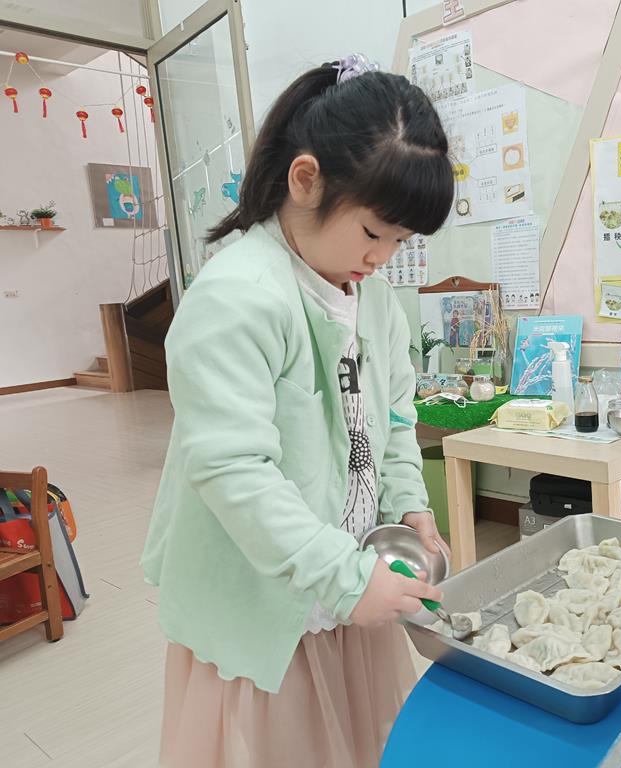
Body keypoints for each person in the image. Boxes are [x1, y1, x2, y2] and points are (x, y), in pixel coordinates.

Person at [141, 56, 455, 768]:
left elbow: (393, 420)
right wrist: (345, 579)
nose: (383, 258)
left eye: (401, 242)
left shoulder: (372, 297)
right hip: (263, 596)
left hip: (348, 582)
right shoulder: (237, 298)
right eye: (373, 232)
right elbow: (234, 472)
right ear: (306, 180)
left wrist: (411, 506)